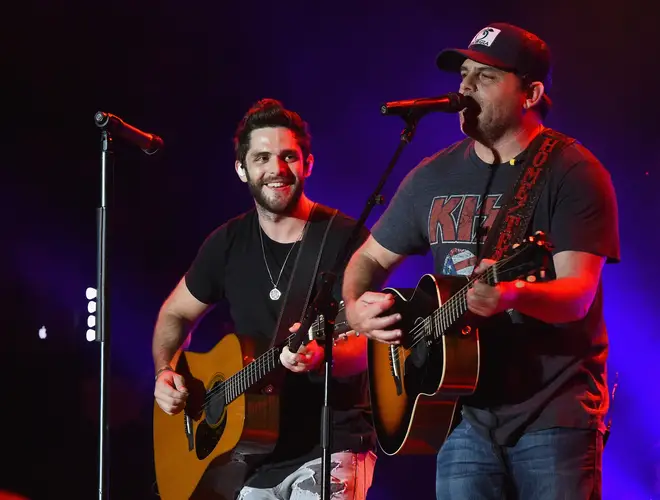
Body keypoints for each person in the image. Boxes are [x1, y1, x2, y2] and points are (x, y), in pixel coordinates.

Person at [342, 22, 619, 499]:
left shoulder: (572, 172)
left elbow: (577, 296)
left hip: (554, 412)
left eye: (486, 77)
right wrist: (354, 307)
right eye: (464, 74)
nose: (465, 87)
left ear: (530, 93)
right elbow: (366, 259)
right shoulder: (432, 175)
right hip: (460, 414)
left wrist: (513, 292)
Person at [152, 98, 376, 500]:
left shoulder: (346, 240)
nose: (276, 169)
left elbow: (370, 343)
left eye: (289, 156)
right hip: (251, 455)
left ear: (308, 164)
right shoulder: (226, 243)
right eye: (262, 157)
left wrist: (325, 355)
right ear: (242, 169)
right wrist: (165, 370)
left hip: (330, 443)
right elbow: (175, 313)